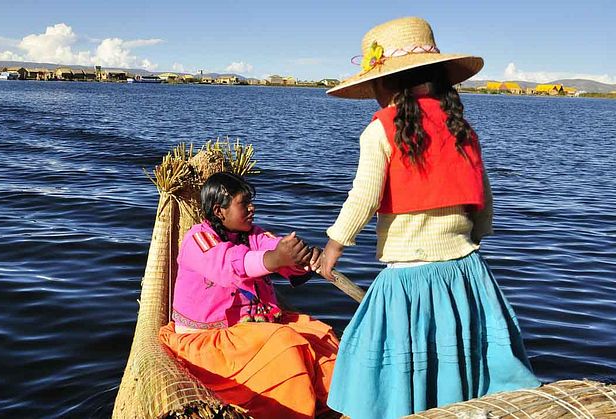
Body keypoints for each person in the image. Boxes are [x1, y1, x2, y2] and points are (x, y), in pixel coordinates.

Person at [317, 16, 541, 418]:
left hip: (410, 278)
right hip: (467, 272)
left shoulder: (380, 130)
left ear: (387, 84)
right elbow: (484, 200)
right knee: (456, 360)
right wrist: (474, 238)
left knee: (379, 363)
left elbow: (363, 196)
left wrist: (333, 246)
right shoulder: (461, 128)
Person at [158, 171, 339, 419]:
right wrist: (275, 259)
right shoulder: (198, 240)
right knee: (284, 345)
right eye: (244, 203)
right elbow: (229, 265)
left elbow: (274, 249)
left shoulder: (253, 234)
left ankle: (336, 406)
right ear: (219, 211)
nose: (252, 208)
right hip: (210, 341)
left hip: (253, 330)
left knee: (321, 336)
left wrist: (302, 257)